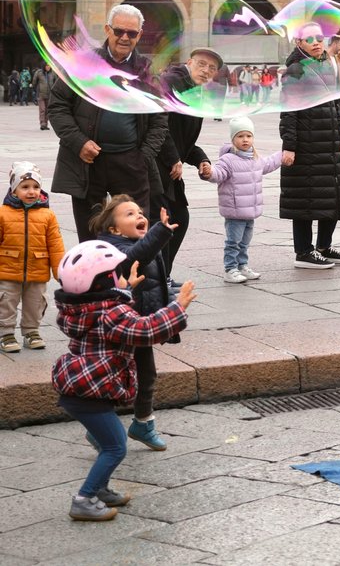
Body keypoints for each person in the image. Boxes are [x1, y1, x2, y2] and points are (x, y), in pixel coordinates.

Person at [52, 239, 194, 521]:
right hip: (89, 390)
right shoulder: (111, 313)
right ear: (103, 282)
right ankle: (84, 497)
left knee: (110, 443)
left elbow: (108, 308)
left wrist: (125, 288)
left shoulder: (83, 308)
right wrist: (178, 307)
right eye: (115, 274)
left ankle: (101, 490)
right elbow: (145, 329)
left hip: (80, 384)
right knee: (115, 446)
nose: (119, 276)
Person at [49, 4, 167, 243]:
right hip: (87, 160)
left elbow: (160, 117)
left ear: (139, 35)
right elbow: (57, 106)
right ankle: (95, 279)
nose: (124, 37)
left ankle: (132, 279)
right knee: (90, 228)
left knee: (135, 231)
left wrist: (143, 156)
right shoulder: (82, 63)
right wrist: (79, 142)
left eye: (131, 33)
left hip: (130, 162)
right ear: (107, 30)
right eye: (119, 31)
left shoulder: (146, 69)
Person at [90, 195, 177, 451]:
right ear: (113, 229)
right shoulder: (112, 248)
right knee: (114, 378)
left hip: (138, 325)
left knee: (147, 374)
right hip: (117, 328)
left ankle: (143, 423)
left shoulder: (141, 241)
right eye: (130, 214)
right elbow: (135, 257)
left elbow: (157, 283)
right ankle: (100, 430)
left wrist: (170, 307)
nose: (139, 216)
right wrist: (160, 231)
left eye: (139, 212)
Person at [279, 22, 340, 268]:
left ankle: (323, 246)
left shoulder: (324, 65)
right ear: (299, 43)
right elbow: (289, 112)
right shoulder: (296, 69)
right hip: (306, 144)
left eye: (319, 37)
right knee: (305, 200)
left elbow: (334, 107)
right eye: (309, 39)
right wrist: (290, 146)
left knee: (331, 196)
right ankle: (304, 252)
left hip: (328, 142)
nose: (316, 42)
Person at [156, 48, 220, 279]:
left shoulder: (196, 92)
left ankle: (163, 276)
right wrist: (173, 157)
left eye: (212, 68)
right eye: (202, 64)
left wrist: (201, 159)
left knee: (180, 219)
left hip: (169, 168)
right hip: (155, 165)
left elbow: (185, 140)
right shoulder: (172, 81)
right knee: (164, 222)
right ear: (189, 62)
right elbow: (160, 126)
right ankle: (158, 278)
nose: (206, 71)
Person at [200, 116, 282, 283]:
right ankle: (230, 269)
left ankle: (242, 265)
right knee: (233, 242)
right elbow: (218, 173)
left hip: (250, 210)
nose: (245, 139)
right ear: (233, 139)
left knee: (244, 242)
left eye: (248, 136)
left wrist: (283, 153)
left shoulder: (255, 158)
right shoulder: (228, 159)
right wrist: (209, 173)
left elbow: (269, 163)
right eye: (240, 136)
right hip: (235, 210)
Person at [0, 161, 65, 353]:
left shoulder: (48, 215)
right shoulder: (3, 214)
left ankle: (31, 331)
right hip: (8, 268)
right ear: (14, 190)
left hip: (38, 269)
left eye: (36, 187)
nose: (31, 191)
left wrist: (60, 270)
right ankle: (6, 333)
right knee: (6, 302)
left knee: (35, 303)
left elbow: (55, 245)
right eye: (25, 187)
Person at [32, 62, 56, 130]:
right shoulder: (39, 72)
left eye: (49, 66)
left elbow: (56, 82)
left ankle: (46, 124)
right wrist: (36, 90)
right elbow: (34, 82)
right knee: (42, 109)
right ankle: (42, 124)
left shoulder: (53, 73)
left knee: (48, 110)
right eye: (47, 66)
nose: (48, 67)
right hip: (41, 94)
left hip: (50, 95)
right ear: (44, 66)